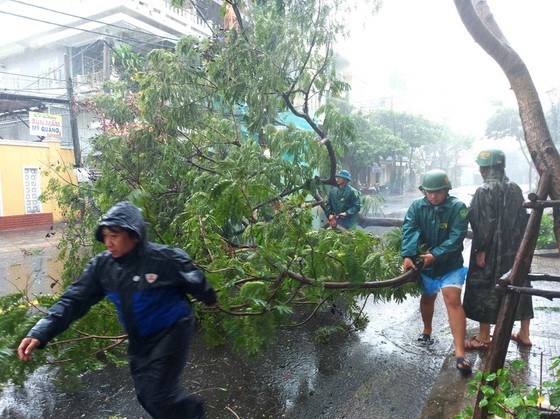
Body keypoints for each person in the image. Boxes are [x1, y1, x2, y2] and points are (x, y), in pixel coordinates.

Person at [18, 201, 217, 419]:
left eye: (114, 235)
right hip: (140, 338)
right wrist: (40, 331)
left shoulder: (164, 259)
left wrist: (208, 297)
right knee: (145, 395)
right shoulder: (102, 268)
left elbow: (196, 279)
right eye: (104, 236)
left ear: (134, 234)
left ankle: (194, 414)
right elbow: (73, 300)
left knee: (158, 394)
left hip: (173, 331)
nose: (108, 243)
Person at [401, 169, 471, 376]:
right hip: (426, 265)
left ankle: (460, 354)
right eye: (428, 192)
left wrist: (437, 254)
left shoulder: (458, 208)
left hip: (451, 264)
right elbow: (409, 228)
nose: (433, 196)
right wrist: (407, 254)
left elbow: (457, 237)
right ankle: (427, 330)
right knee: (427, 298)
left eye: (438, 192)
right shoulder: (417, 206)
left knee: (452, 300)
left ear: (446, 190)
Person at [463, 149, 533, 350]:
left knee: (486, 286)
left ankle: (484, 337)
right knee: (519, 284)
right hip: (515, 250)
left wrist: (480, 250)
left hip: (492, 250)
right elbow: (523, 219)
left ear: (484, 168)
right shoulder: (515, 188)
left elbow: (483, 224)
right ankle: (524, 334)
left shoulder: (483, 191)